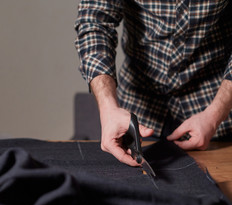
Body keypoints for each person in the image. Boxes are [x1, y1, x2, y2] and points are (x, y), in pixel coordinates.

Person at [74, 0, 232, 166]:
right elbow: (94, 22)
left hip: (217, 111)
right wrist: (108, 107)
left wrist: (215, 113)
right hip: (138, 115)